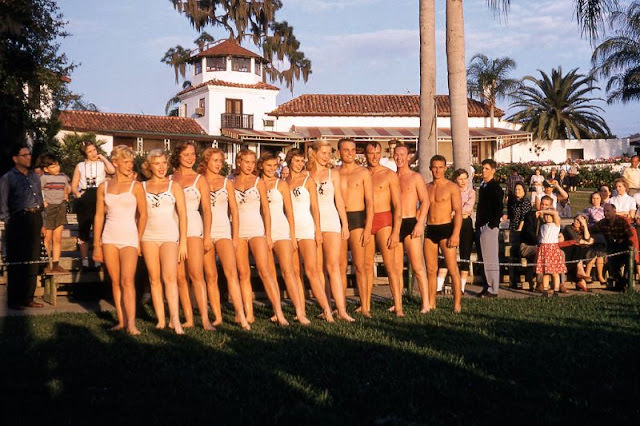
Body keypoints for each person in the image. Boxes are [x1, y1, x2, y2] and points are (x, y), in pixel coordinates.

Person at [93, 145, 147, 334]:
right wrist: (96, 245)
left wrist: (139, 240)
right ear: (115, 163)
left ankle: (131, 324)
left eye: (131, 161)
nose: (130, 165)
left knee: (127, 281)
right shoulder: (104, 186)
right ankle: (121, 321)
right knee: (115, 281)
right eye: (126, 161)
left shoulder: (136, 186)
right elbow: (99, 216)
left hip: (129, 237)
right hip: (109, 236)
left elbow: (144, 215)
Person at [234, 149, 289, 326]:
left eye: (252, 162)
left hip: (257, 229)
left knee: (265, 271)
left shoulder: (258, 182)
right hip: (239, 231)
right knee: (243, 273)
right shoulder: (232, 182)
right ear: (239, 162)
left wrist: (268, 234)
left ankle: (279, 312)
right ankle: (249, 313)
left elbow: (266, 210)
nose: (249, 165)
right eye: (246, 162)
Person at [199, 148, 250, 330]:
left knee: (231, 273)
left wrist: (235, 237)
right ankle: (218, 316)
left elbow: (234, 212)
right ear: (206, 161)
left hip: (223, 230)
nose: (219, 164)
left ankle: (241, 315)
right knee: (210, 275)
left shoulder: (227, 182)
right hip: (204, 232)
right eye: (215, 160)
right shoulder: (199, 181)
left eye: (221, 160)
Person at [259, 152, 310, 325]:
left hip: (281, 229)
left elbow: (289, 212)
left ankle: (299, 312)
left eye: (275, 166)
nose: (272, 169)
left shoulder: (280, 184)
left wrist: (293, 235)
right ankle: (277, 311)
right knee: (270, 273)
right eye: (268, 166)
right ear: (261, 166)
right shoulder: (257, 184)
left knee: (288, 271)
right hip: (262, 231)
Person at [140, 150, 187, 334]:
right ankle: (160, 319)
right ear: (149, 166)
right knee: (154, 279)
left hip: (169, 236)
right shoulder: (141, 187)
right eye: (156, 163)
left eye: (163, 163)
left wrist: (183, 242)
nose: (161, 167)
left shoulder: (174, 186)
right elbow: (139, 216)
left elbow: (183, 216)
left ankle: (175, 319)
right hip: (148, 237)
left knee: (170, 278)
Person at [285, 149, 335, 322]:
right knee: (295, 272)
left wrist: (318, 230)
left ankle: (327, 310)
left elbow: (315, 208)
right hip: (290, 231)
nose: (300, 164)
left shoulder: (308, 181)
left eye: (302, 161)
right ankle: (301, 311)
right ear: (289, 161)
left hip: (307, 228)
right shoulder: (284, 181)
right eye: (297, 161)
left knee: (311, 271)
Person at [308, 140, 355, 322]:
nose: (327, 156)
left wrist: (345, 224)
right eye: (324, 152)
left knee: (333, 266)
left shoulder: (333, 173)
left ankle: (341, 309)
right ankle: (326, 308)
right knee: (318, 268)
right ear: (314, 153)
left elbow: (340, 201)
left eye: (329, 153)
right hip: (312, 222)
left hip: (332, 221)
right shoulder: (307, 175)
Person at [171, 141, 214, 331]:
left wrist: (207, 236)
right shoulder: (170, 178)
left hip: (194, 228)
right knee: (180, 277)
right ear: (178, 156)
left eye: (193, 154)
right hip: (173, 229)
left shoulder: (200, 179)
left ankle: (204, 318)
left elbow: (207, 209)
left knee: (196, 274)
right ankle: (188, 318)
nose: (191, 158)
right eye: (186, 154)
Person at [0, 144, 45, 310]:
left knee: (33, 259)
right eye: (25, 155)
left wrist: (43, 222)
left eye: (29, 154)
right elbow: (3, 203)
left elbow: (40, 200)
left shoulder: (34, 176)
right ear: (15, 158)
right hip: (17, 220)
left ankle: (28, 298)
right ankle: (14, 300)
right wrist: (9, 221)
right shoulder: (8, 178)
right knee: (17, 261)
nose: (29, 157)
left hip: (35, 218)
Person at [365, 141, 404, 316]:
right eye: (371, 153)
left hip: (384, 220)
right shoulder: (362, 174)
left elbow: (398, 205)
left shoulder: (388, 175)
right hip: (366, 222)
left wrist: (396, 231)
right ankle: (364, 305)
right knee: (366, 266)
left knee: (391, 266)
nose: (374, 156)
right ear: (365, 154)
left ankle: (398, 305)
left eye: (377, 153)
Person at [336, 138, 373, 317]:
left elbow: (370, 203)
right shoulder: (334, 173)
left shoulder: (363, 172)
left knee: (360, 265)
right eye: (346, 150)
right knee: (340, 265)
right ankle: (340, 306)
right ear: (339, 152)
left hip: (358, 218)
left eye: (352, 150)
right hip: (339, 219)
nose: (350, 153)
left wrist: (368, 228)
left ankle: (364, 305)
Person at [393, 143, 429, 312]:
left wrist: (420, 223)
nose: (399, 158)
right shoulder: (392, 177)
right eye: (396, 154)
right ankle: (398, 302)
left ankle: (426, 303)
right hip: (395, 225)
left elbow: (425, 201)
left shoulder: (415, 177)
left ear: (408, 157)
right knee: (397, 267)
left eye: (402, 154)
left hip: (410, 222)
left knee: (417, 266)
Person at [423, 155, 462, 312]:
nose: (437, 170)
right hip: (430, 229)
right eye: (434, 167)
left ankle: (457, 304)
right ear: (430, 168)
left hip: (446, 228)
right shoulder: (426, 187)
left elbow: (458, 211)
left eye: (440, 167)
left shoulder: (452, 187)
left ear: (446, 168)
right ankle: (431, 303)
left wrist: (455, 234)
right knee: (431, 270)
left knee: (452, 270)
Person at [70, 141, 115, 270]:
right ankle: (84, 261)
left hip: (99, 195)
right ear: (85, 153)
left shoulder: (101, 164)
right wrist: (79, 195)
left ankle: (97, 260)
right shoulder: (80, 166)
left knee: (99, 229)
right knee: (84, 229)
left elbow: (112, 170)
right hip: (85, 197)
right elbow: (74, 184)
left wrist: (103, 158)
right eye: (90, 151)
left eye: (94, 150)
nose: (93, 153)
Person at [476, 158, 504, 298]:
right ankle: (486, 285)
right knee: (483, 259)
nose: (483, 171)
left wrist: (492, 224)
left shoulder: (495, 188)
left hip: (489, 226)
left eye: (487, 169)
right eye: (483, 168)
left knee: (491, 258)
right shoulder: (483, 186)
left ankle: (493, 288)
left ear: (493, 170)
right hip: (481, 225)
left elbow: (498, 208)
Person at [39, 153, 71, 273]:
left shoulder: (63, 177)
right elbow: (38, 190)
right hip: (49, 209)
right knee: (47, 238)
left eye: (57, 165)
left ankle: (56, 264)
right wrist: (43, 201)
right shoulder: (43, 178)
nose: (56, 168)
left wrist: (66, 194)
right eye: (53, 167)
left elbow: (67, 187)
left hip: (60, 207)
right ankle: (47, 264)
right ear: (46, 169)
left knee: (57, 238)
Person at [590, 203, 633, 291]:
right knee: (612, 264)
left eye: (608, 211)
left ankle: (625, 283)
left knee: (629, 263)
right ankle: (621, 284)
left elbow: (630, 235)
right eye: (604, 211)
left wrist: (622, 241)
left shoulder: (622, 221)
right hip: (611, 247)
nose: (606, 213)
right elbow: (592, 229)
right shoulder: (603, 222)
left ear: (614, 211)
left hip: (624, 246)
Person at [535, 198, 567, 296]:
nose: (548, 217)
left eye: (550, 215)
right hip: (544, 249)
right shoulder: (543, 226)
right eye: (546, 216)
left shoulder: (555, 225)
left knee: (555, 272)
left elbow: (555, 214)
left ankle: (556, 290)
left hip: (552, 249)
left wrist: (542, 210)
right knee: (545, 272)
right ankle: (545, 290)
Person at [504, 182, 531, 288]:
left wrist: (519, 229)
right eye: (516, 189)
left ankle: (525, 280)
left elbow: (524, 217)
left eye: (519, 189)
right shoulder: (514, 201)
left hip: (521, 231)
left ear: (524, 191)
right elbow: (509, 214)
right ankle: (512, 280)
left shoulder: (525, 202)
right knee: (511, 255)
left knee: (519, 254)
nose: (517, 191)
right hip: (512, 229)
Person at [453, 168, 475, 294]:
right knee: (448, 251)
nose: (463, 181)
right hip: (452, 223)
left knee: (465, 253)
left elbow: (467, 211)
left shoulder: (471, 192)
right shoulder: (452, 191)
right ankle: (440, 284)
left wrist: (455, 213)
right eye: (460, 179)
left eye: (465, 178)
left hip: (465, 224)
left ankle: (461, 286)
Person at [560, 214, 595, 292]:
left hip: (577, 254)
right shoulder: (568, 228)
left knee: (586, 249)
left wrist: (585, 226)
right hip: (568, 252)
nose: (576, 222)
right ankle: (581, 273)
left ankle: (581, 280)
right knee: (578, 247)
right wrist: (586, 242)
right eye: (575, 219)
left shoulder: (584, 230)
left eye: (579, 221)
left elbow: (588, 239)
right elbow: (576, 239)